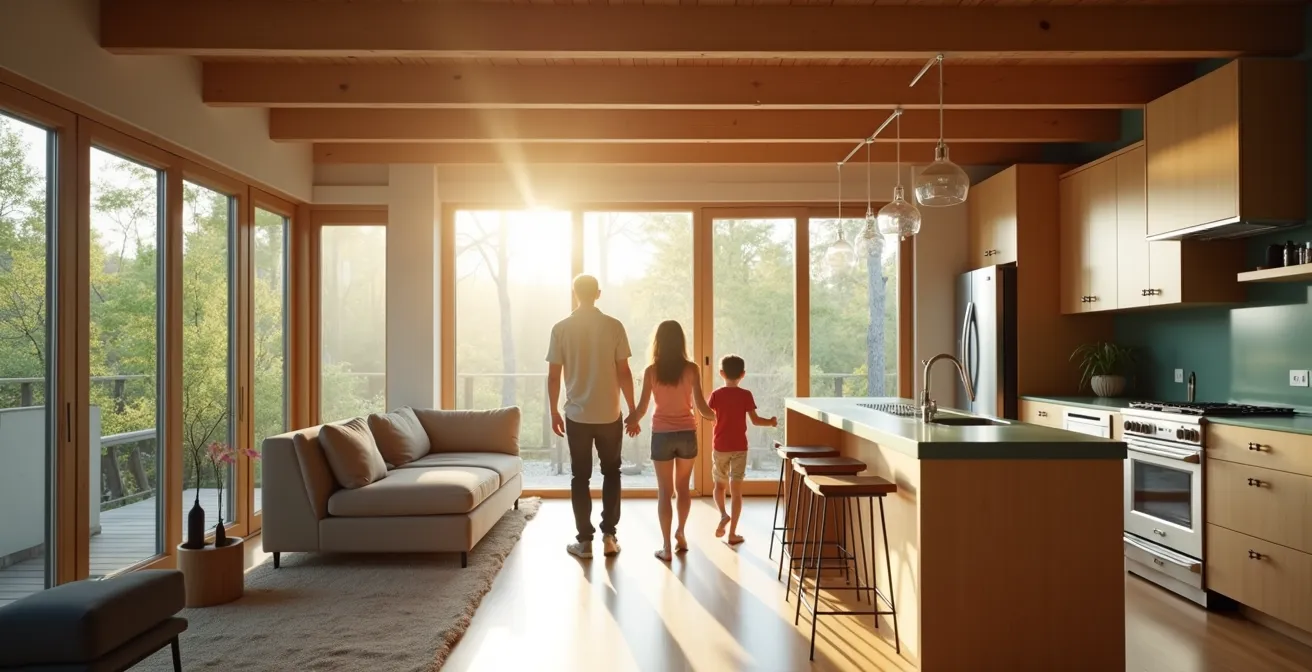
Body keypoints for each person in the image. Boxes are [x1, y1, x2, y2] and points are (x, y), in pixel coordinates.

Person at [547, 274, 636, 560]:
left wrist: (553, 412)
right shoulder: (614, 326)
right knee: (612, 473)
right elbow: (624, 372)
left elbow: (553, 376)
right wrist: (633, 409)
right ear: (598, 293)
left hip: (577, 415)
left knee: (580, 477)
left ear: (575, 293)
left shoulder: (561, 328)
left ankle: (584, 542)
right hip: (610, 413)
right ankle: (609, 537)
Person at [625, 320, 715, 562]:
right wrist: (719, 417)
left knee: (665, 491)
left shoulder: (651, 371)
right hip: (687, 433)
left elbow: (643, 408)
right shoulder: (692, 369)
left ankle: (666, 547)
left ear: (659, 342)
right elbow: (702, 407)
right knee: (683, 488)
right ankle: (681, 534)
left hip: (662, 435)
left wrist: (631, 421)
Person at [707, 354, 777, 546]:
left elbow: (706, 413)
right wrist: (770, 422)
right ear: (743, 374)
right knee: (736, 492)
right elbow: (755, 420)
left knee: (719, 486)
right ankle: (732, 534)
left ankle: (723, 514)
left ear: (721, 373)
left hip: (720, 446)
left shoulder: (716, 395)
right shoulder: (745, 395)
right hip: (739, 447)